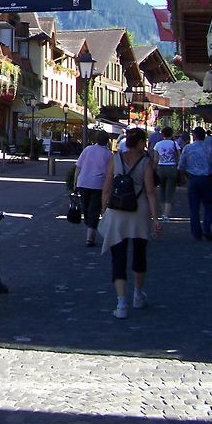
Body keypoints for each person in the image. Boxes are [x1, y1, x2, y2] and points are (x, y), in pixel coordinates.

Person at [101, 127, 163, 319]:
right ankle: (137, 294)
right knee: (139, 253)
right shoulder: (146, 163)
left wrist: (104, 212)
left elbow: (106, 188)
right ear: (140, 142)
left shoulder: (115, 159)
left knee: (118, 257)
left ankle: (121, 303)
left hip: (117, 212)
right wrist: (155, 219)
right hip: (139, 211)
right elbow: (151, 192)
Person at [178, 126, 212, 241]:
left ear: (194, 136)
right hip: (207, 179)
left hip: (193, 179)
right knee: (208, 206)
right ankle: (207, 229)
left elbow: (181, 166)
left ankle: (197, 233)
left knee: (194, 208)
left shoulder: (187, 148)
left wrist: (184, 178)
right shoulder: (209, 148)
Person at [74, 131, 112, 248]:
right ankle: (90, 236)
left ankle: (90, 233)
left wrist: (75, 182)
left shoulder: (87, 149)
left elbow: (78, 166)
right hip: (98, 184)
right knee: (94, 209)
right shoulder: (108, 154)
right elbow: (110, 172)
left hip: (83, 182)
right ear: (107, 141)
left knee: (86, 208)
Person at [152, 126, 181, 221]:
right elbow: (179, 156)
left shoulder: (158, 144)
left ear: (162, 134)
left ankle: (162, 211)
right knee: (170, 192)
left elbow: (155, 159)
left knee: (161, 191)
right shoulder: (174, 143)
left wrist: (154, 170)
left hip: (161, 168)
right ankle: (166, 215)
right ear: (171, 134)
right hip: (172, 167)